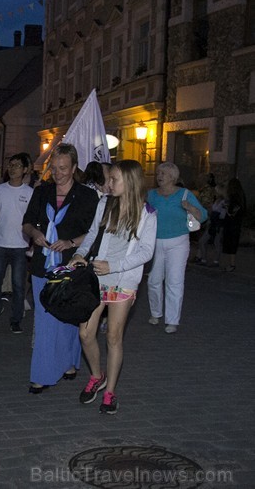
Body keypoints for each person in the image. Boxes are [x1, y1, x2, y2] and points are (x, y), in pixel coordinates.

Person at [68, 160, 157, 414]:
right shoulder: (104, 203)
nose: (109, 184)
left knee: (114, 336)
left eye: (114, 179)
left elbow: (146, 252)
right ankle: (97, 375)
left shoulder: (147, 213)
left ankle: (110, 393)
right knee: (85, 333)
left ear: (129, 182)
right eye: (109, 179)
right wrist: (80, 254)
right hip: (97, 277)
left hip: (123, 280)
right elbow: (92, 234)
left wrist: (114, 266)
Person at [22, 143, 99, 393]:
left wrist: (71, 242)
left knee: (68, 315)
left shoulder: (87, 196)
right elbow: (26, 223)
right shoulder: (41, 192)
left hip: (71, 264)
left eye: (63, 168)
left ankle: (68, 362)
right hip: (42, 265)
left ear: (74, 167)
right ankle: (42, 373)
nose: (57, 173)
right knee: (44, 317)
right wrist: (34, 233)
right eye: (53, 168)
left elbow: (95, 232)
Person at [146, 162, 207, 334]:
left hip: (178, 242)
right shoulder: (151, 195)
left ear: (173, 177)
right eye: (158, 173)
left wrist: (191, 207)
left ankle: (172, 320)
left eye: (163, 173)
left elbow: (203, 215)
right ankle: (155, 312)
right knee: (154, 280)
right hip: (155, 242)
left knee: (174, 280)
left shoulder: (184, 194)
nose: (159, 176)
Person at [0, 153, 33, 335]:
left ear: (24, 170)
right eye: (10, 165)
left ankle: (16, 319)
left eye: (16, 166)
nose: (12, 168)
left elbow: (32, 219)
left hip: (20, 245)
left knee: (18, 284)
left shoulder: (29, 193)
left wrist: (31, 243)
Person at [221, 178, 247, 272]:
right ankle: (231, 264)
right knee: (232, 244)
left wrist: (227, 206)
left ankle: (231, 264)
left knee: (231, 244)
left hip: (232, 224)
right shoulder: (241, 196)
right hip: (236, 223)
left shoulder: (234, 197)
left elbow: (231, 211)